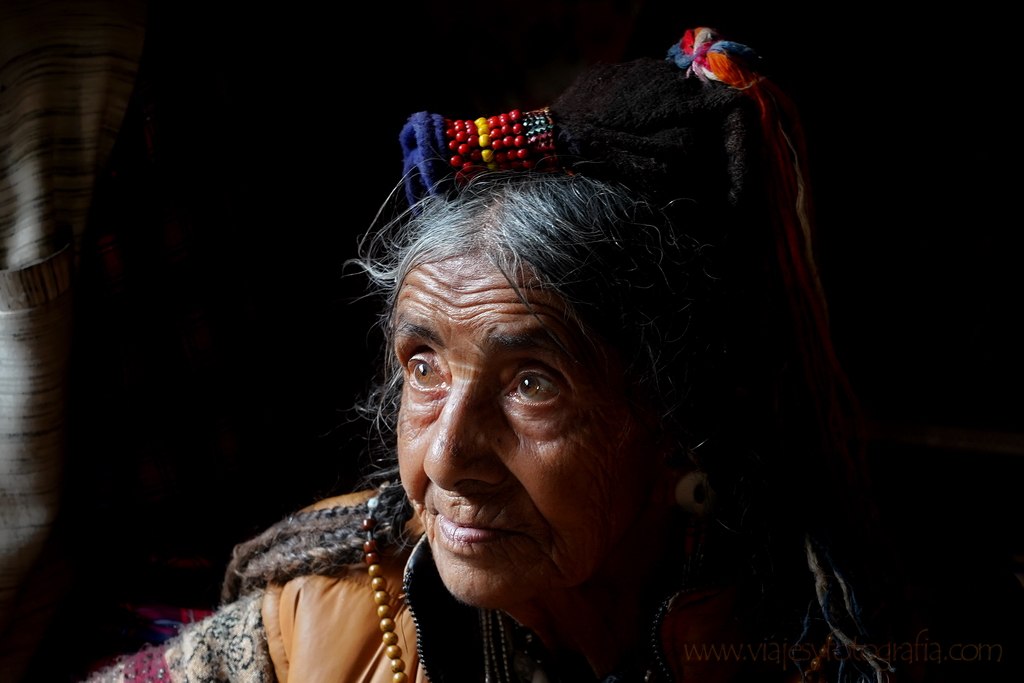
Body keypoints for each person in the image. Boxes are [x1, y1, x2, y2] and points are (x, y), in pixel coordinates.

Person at [84, 26, 899, 683]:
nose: (446, 456)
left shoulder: (830, 649)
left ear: (676, 417)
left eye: (532, 383)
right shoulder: (329, 606)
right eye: (424, 367)